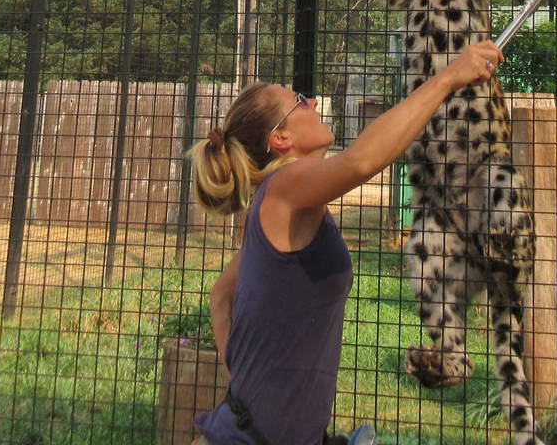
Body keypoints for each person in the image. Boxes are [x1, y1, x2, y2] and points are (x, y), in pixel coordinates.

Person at [186, 36, 505, 445]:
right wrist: (449, 78)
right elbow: (361, 161)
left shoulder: (284, 207)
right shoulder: (284, 187)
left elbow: (219, 296)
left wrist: (246, 389)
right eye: (300, 100)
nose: (313, 102)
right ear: (281, 139)